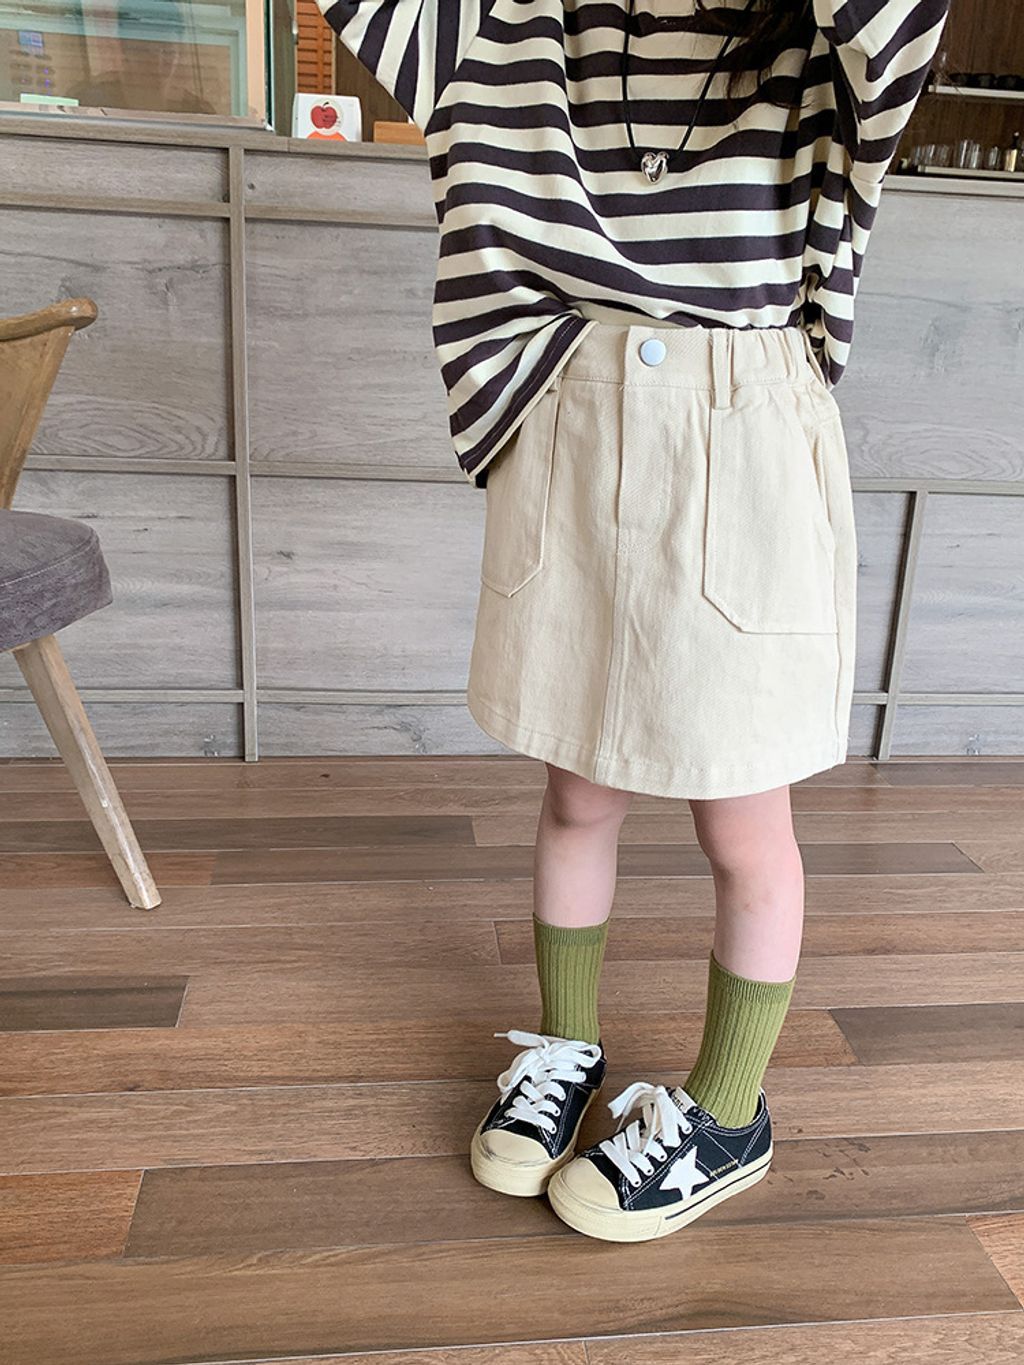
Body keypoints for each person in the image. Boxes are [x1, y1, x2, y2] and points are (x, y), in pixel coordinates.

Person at [317, 0, 952, 1242]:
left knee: (742, 815)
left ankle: (730, 1111)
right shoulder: (508, 21)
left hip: (741, 438)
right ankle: (566, 1046)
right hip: (573, 429)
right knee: (575, 790)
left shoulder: (820, 45)